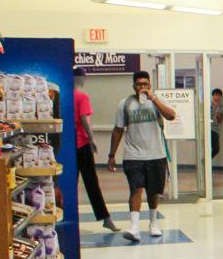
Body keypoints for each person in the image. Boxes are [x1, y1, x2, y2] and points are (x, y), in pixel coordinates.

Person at [108, 70, 177, 242]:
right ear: (133, 86)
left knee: (153, 191)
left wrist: (153, 98)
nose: (142, 87)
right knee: (136, 189)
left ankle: (153, 223)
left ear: (150, 85)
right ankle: (134, 227)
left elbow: (171, 115)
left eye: (145, 84)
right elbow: (118, 130)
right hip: (133, 155)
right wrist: (111, 155)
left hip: (156, 154)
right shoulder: (125, 104)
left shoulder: (157, 103)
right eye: (139, 84)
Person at [73, 67, 118, 232]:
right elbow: (84, 118)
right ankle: (105, 217)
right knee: (91, 182)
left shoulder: (64, 96)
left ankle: (70, 216)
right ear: (82, 79)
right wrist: (92, 139)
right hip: (82, 144)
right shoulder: (82, 97)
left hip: (70, 145)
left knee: (71, 183)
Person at [210, 88, 223, 159]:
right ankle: (205, 164)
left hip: (215, 130)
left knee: (216, 149)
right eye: (216, 95)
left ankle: (206, 161)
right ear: (212, 96)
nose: (217, 97)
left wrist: (218, 115)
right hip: (206, 129)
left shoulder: (222, 107)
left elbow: (220, 120)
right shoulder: (207, 105)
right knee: (205, 148)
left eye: (219, 95)